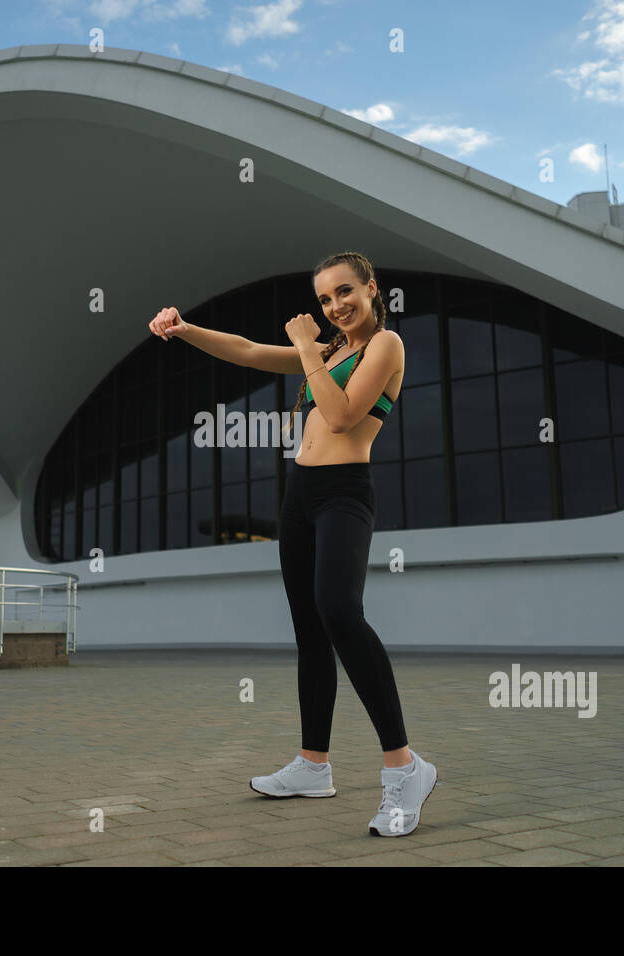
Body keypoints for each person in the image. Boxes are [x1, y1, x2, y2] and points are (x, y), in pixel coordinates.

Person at [147, 251, 437, 837]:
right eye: (326, 299)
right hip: (299, 495)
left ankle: (405, 768)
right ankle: (313, 765)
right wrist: (184, 329)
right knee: (309, 628)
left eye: (345, 293)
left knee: (338, 612)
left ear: (371, 288)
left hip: (344, 493)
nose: (335, 307)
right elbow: (250, 351)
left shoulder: (385, 346)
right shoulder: (329, 352)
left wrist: (307, 346)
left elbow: (340, 417)